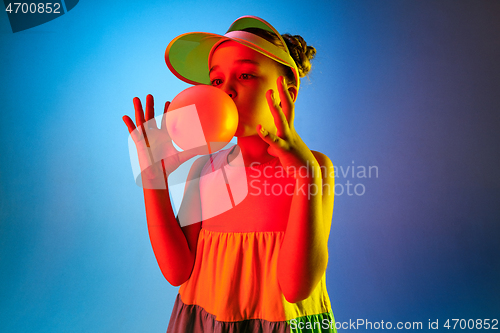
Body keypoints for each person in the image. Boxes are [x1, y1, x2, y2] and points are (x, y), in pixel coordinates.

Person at [123, 16, 336, 333]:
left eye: (246, 75)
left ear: (287, 93)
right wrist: (153, 178)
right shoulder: (204, 169)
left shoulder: (313, 167)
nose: (227, 91)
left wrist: (305, 178)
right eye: (217, 81)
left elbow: (296, 290)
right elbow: (176, 271)